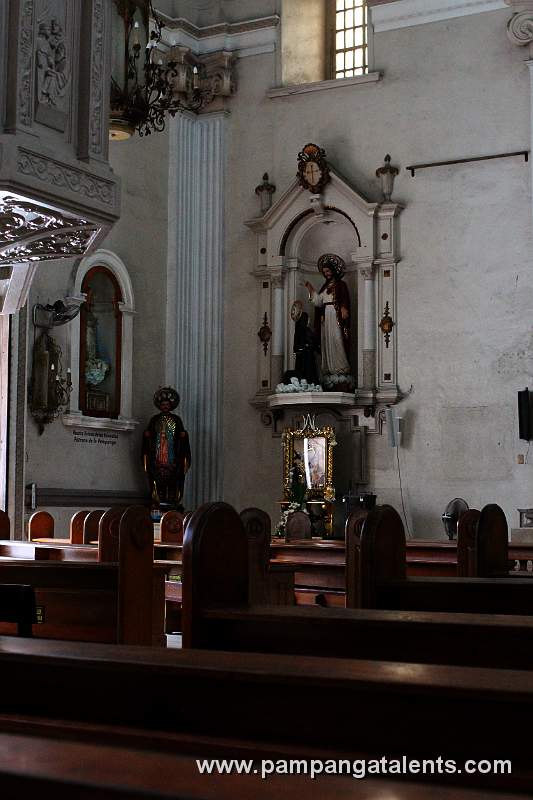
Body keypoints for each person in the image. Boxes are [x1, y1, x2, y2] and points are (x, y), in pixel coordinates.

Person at [304, 253, 354, 391]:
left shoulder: (341, 285)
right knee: (328, 342)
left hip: (336, 315)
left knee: (337, 340)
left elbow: (344, 299)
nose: (326, 274)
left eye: (328, 271)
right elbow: (318, 302)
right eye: (324, 272)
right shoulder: (325, 287)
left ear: (333, 270)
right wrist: (311, 290)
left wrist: (343, 308)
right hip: (326, 317)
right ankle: (330, 370)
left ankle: (341, 369)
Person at [142, 387, 191, 514]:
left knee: (174, 478)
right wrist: (147, 435)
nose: (165, 407)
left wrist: (183, 435)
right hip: (158, 452)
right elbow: (150, 435)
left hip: (171, 452)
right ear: (160, 406)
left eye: (167, 405)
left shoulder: (176, 419)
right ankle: (158, 500)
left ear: (171, 406)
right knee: (157, 478)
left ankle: (172, 500)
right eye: (163, 405)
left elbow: (181, 435)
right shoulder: (155, 419)